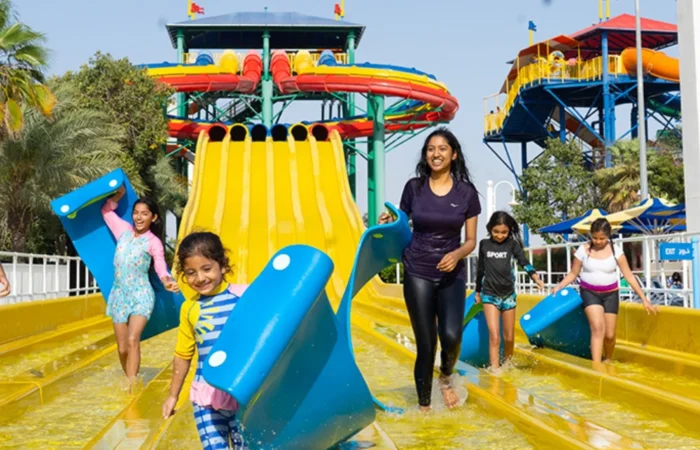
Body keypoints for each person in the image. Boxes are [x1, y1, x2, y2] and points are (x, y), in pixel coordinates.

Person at [378, 127, 480, 412]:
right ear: (426, 155)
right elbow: (400, 223)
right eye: (431, 149)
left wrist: (456, 253)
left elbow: (471, 240)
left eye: (442, 149)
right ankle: (424, 408)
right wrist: (388, 221)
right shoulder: (414, 188)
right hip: (417, 270)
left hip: (452, 273)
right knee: (426, 344)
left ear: (454, 154)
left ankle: (446, 377)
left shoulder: (466, 193)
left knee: (451, 337)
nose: (436, 154)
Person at [162, 231, 247, 450]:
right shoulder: (190, 308)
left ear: (223, 265)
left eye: (206, 269)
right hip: (206, 395)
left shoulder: (244, 297)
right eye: (191, 273)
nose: (200, 278)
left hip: (242, 391)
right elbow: (183, 354)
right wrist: (173, 395)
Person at [102, 185, 179, 391]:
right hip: (119, 295)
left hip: (141, 295)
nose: (138, 217)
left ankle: (132, 384)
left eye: (144, 214)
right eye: (136, 213)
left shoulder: (153, 242)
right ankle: (129, 377)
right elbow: (106, 211)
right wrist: (118, 196)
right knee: (121, 347)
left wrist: (166, 280)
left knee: (133, 338)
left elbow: (160, 265)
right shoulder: (123, 231)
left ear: (153, 218)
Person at [553, 218, 657, 363]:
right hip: (589, 293)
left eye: (602, 238)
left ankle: (608, 359)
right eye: (595, 238)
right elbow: (573, 273)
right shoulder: (583, 250)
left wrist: (644, 299)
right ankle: (596, 366)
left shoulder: (616, 251)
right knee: (597, 328)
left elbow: (629, 276)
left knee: (609, 335)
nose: (598, 241)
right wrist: (559, 286)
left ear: (608, 236)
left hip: (611, 294)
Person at [474, 211, 545, 372]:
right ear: (490, 229)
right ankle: (495, 368)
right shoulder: (484, 244)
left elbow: (523, 261)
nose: (500, 236)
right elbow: (480, 269)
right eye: (496, 232)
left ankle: (508, 365)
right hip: (489, 295)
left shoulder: (512, 244)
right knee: (495, 336)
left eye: (504, 232)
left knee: (509, 337)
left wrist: (535, 277)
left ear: (509, 231)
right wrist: (478, 292)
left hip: (508, 296)